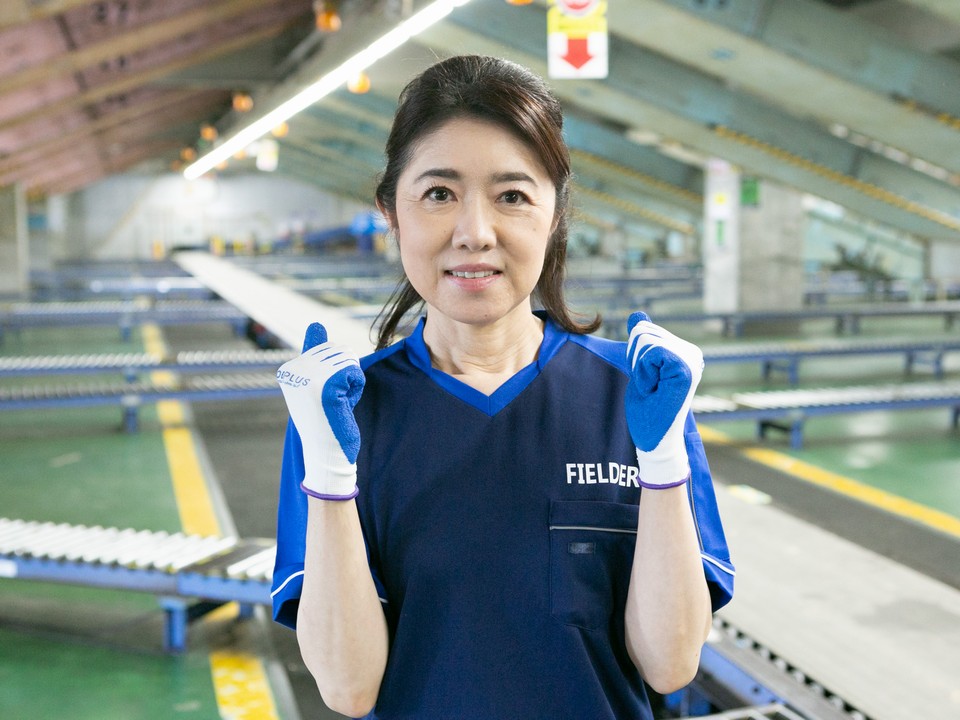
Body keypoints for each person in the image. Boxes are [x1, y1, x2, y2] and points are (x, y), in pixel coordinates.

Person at [271, 54, 735, 720]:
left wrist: (662, 465)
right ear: (390, 213)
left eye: (512, 195)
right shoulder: (340, 413)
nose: (475, 233)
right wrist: (330, 477)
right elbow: (348, 689)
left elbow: (669, 665)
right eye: (439, 193)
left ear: (555, 214)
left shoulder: (635, 396)